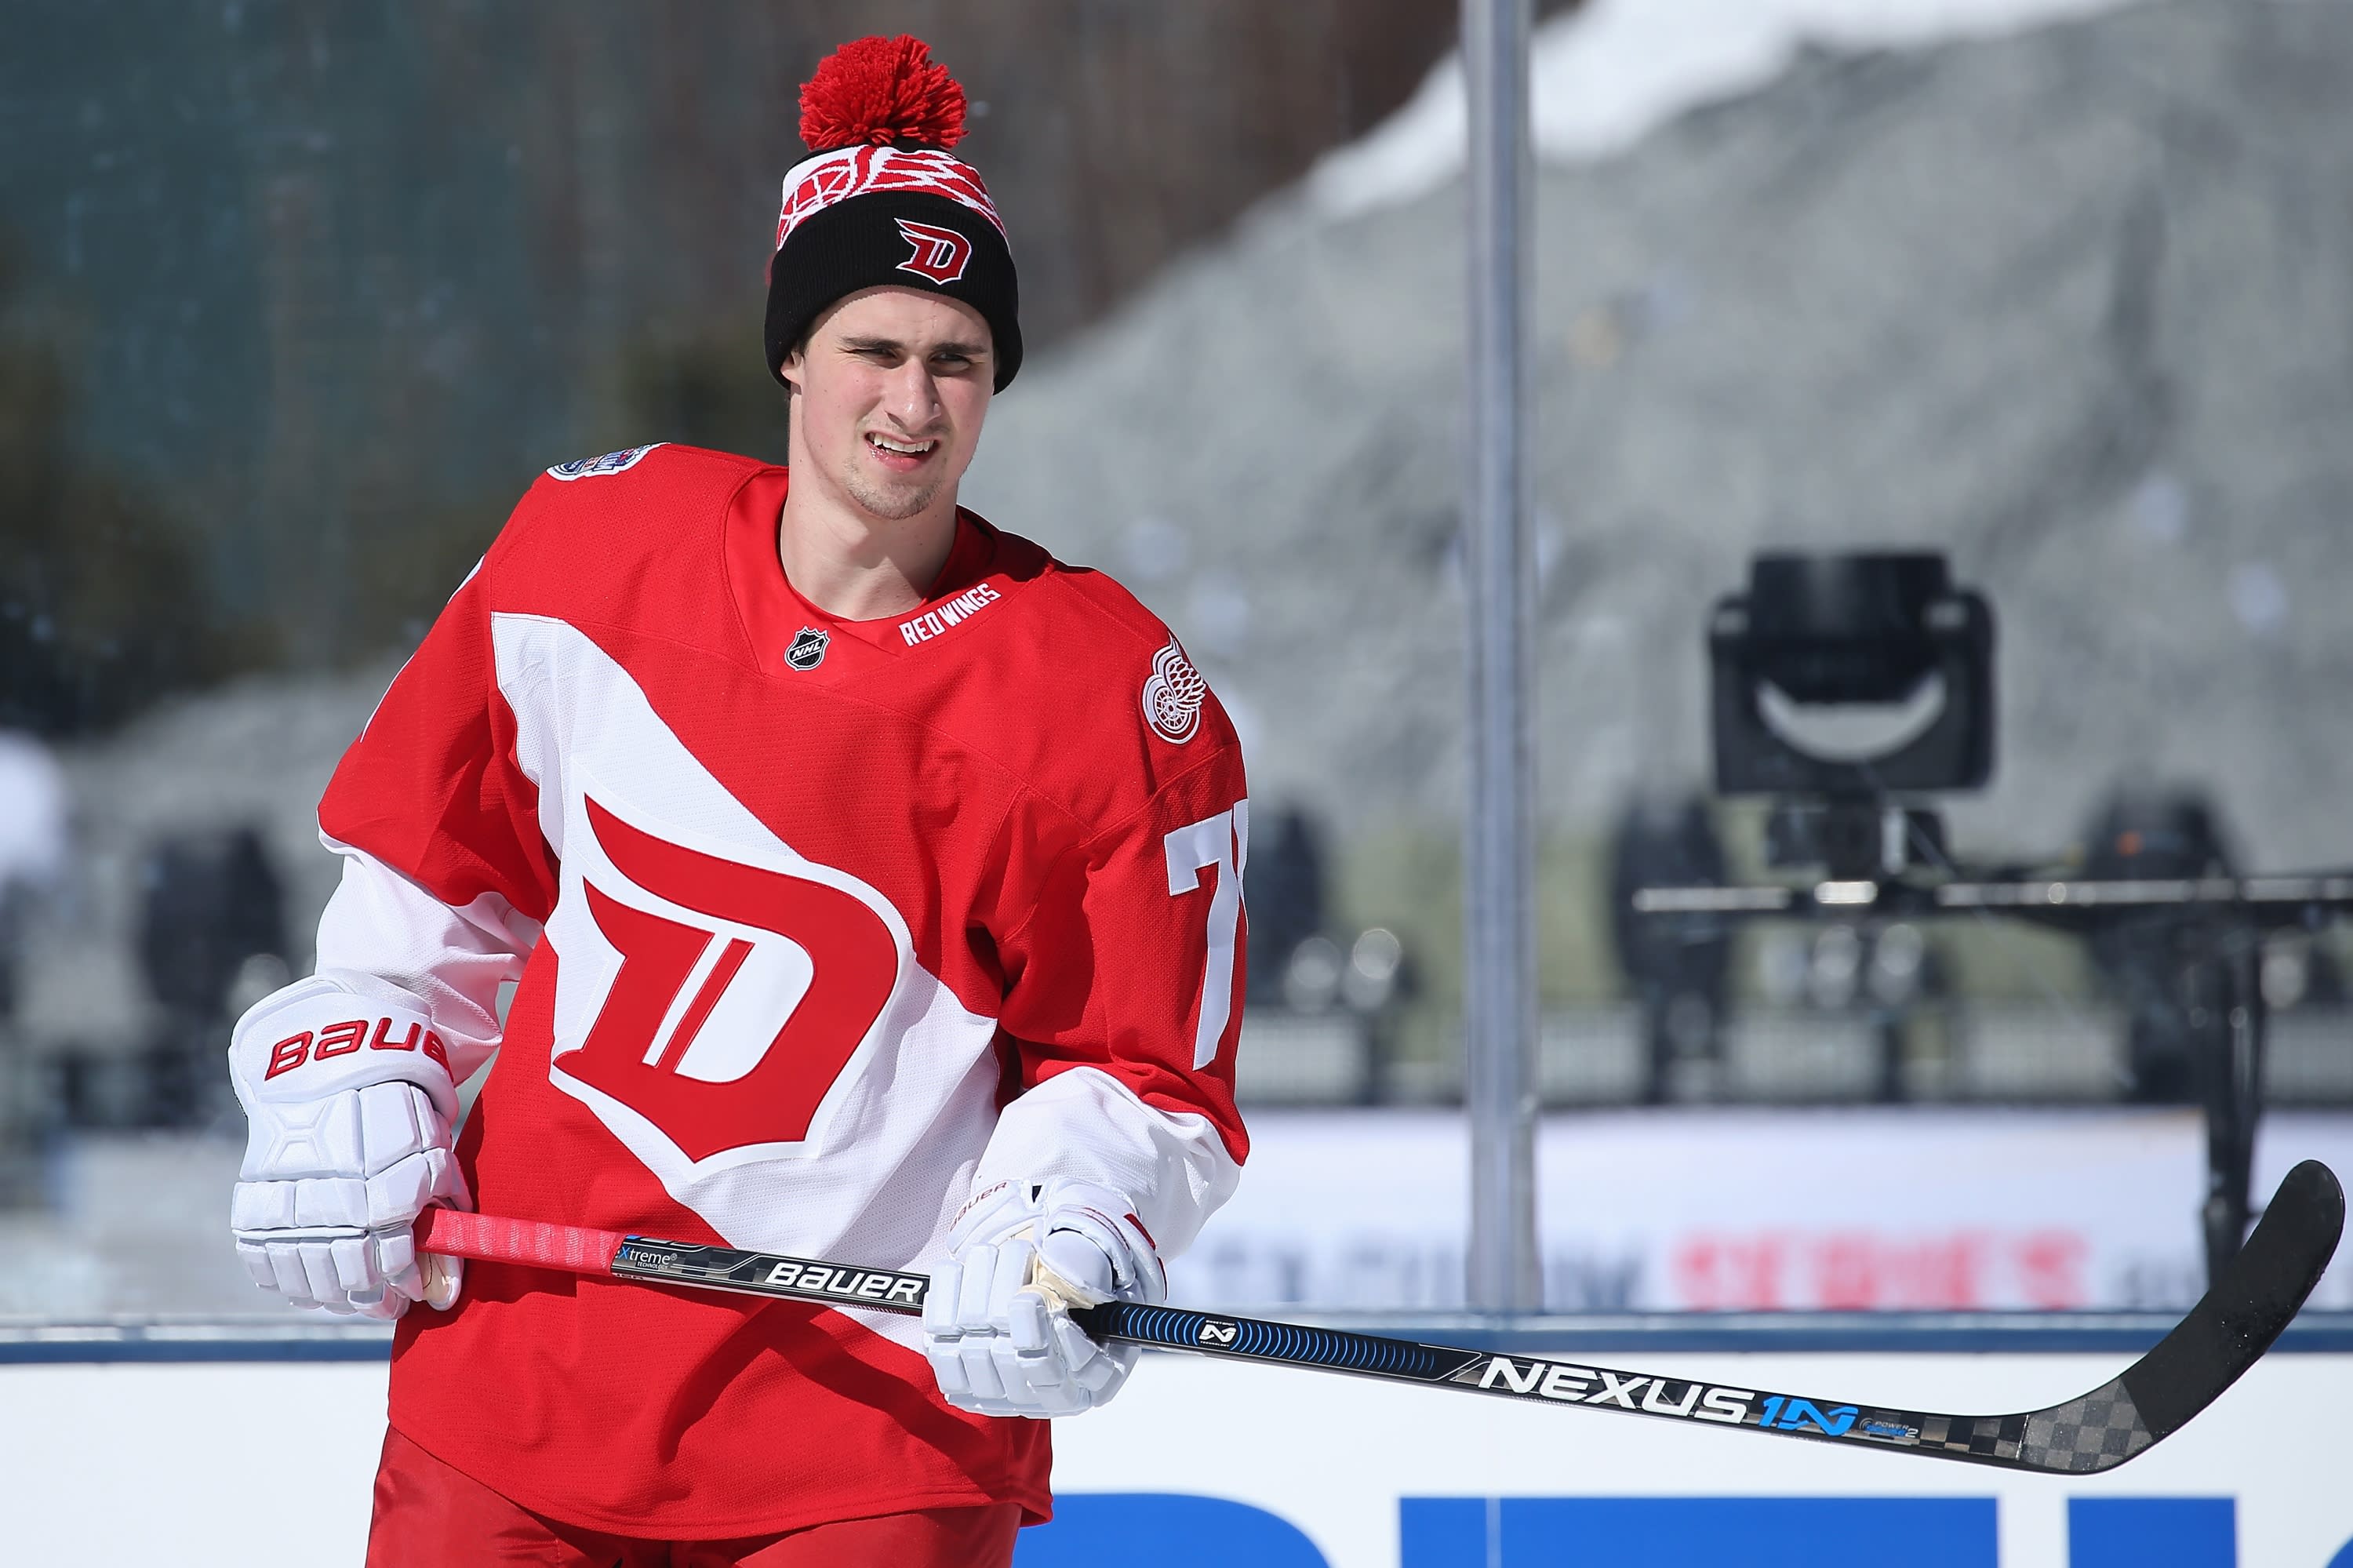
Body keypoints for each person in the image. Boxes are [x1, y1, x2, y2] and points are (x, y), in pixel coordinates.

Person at [225, 35, 1249, 1566]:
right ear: (791, 350)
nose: (913, 401)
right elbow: (435, 881)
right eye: (873, 348)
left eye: (957, 358)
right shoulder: (587, 550)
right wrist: (355, 1062)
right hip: (519, 1386)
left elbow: (1142, 1070)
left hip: (865, 1440)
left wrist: (1061, 1224)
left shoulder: (1102, 692)